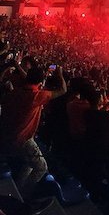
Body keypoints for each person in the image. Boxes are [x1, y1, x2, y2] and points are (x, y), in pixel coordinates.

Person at [0, 66, 67, 197]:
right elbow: (63, 90)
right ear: (41, 83)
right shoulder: (36, 96)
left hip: (7, 136)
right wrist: (59, 73)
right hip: (22, 140)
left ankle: (17, 190)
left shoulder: (15, 92)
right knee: (41, 167)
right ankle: (24, 196)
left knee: (28, 163)